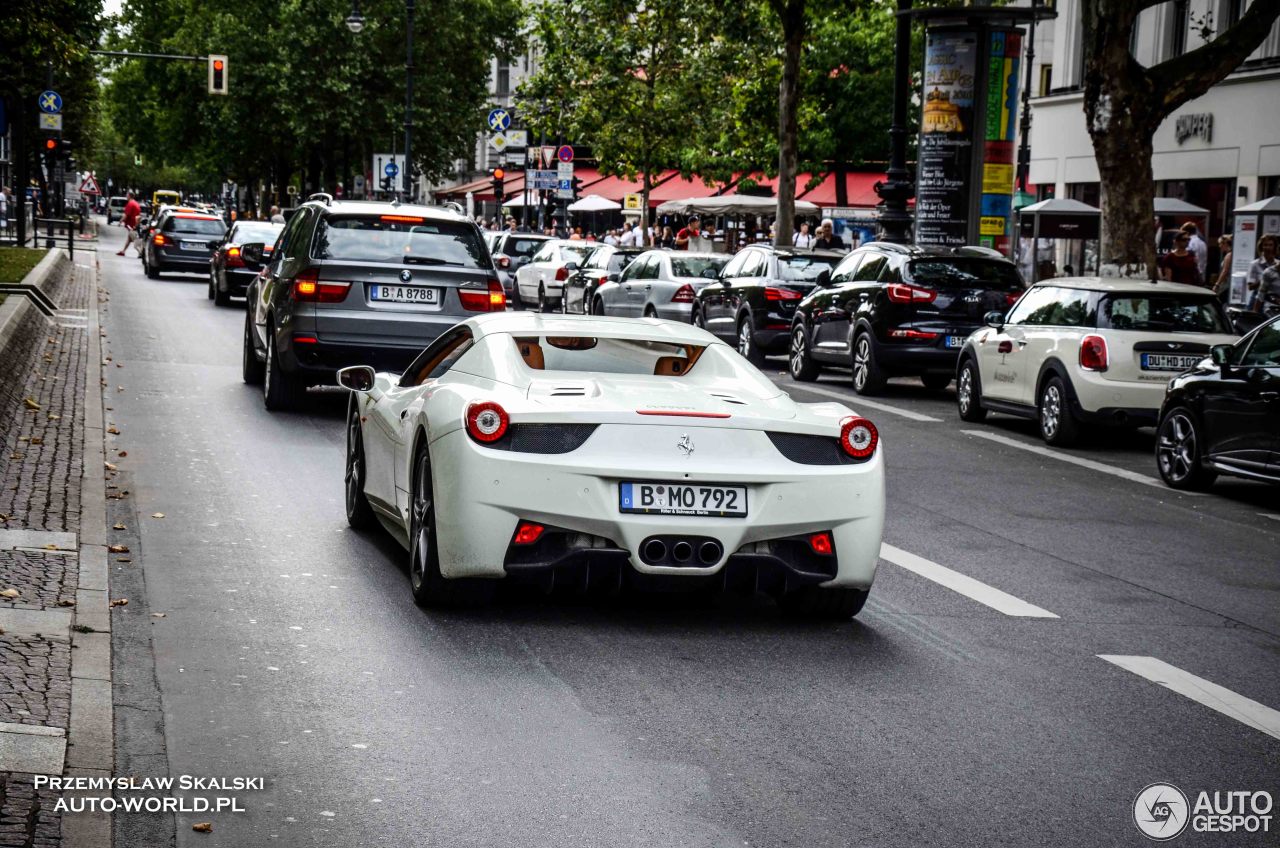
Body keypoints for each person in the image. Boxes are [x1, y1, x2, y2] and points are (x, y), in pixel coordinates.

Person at [1246, 234, 1278, 309]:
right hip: (1258, 298)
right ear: (1261, 247)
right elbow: (1250, 287)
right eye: (1265, 245)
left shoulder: (1277, 264)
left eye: (1271, 245)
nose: (1268, 248)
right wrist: (1265, 279)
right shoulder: (1255, 264)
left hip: (1274, 300)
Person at [116, 192, 142, 257]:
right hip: (135, 224)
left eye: (127, 195)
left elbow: (126, 215)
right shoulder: (136, 203)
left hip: (131, 225)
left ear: (130, 196)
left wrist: (120, 221)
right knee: (130, 238)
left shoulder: (130, 204)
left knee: (135, 239)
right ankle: (123, 251)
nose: (126, 196)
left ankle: (141, 252)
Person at [1212, 234, 1233, 302]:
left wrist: (1217, 284)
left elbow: (1225, 271)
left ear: (1225, 243)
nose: (1219, 246)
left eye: (1220, 244)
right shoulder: (1230, 254)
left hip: (1226, 284)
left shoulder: (1228, 255)